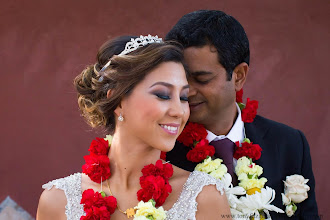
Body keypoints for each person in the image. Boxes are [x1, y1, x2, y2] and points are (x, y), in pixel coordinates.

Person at [36, 35, 232, 220]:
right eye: (163, 95)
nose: (179, 111)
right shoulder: (57, 201)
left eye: (183, 98)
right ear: (117, 100)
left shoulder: (204, 197)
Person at [165, 10, 319, 219]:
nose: (187, 91)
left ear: (239, 76)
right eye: (181, 78)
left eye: (201, 79)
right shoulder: (163, 150)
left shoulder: (289, 144)